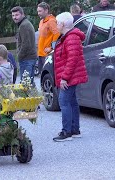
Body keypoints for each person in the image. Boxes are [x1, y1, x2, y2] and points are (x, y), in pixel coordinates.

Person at [52, 12, 88, 142]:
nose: (56, 25)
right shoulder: (68, 37)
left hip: (70, 76)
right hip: (71, 75)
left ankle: (66, 132)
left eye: (57, 22)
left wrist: (64, 78)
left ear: (62, 24)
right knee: (72, 102)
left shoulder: (71, 38)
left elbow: (72, 60)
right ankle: (74, 129)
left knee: (64, 102)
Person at [11, 6, 37, 83]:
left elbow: (26, 44)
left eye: (17, 15)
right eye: (13, 15)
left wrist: (19, 56)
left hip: (26, 59)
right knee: (29, 84)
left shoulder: (24, 25)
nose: (14, 17)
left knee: (25, 85)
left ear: (22, 14)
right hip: (29, 58)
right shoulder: (24, 24)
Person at [37, 2, 60, 75]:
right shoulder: (41, 21)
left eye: (40, 11)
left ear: (46, 10)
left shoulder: (51, 21)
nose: (38, 13)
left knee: (48, 75)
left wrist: (52, 48)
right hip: (41, 53)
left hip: (47, 54)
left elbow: (57, 34)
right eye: (38, 11)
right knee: (42, 76)